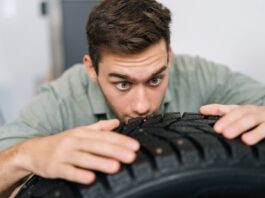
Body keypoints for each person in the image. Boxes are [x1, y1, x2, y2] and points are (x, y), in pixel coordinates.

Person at [1, 0, 265, 194]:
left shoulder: (199, 73)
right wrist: (27, 154)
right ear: (91, 69)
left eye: (155, 79)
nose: (143, 106)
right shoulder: (62, 97)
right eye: (123, 84)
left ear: (169, 58)